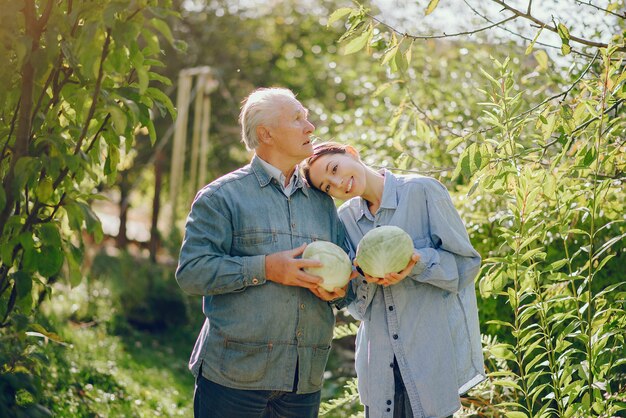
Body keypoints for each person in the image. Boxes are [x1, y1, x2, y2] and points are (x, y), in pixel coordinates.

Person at [176, 88, 348, 418]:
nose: (310, 127)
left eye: (307, 117)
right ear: (265, 134)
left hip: (303, 382)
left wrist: (339, 289)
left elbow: (344, 280)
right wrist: (267, 268)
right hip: (234, 379)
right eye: (297, 118)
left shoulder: (323, 202)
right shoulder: (221, 197)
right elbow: (192, 272)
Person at [301, 142, 485, 418]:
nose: (339, 183)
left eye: (335, 168)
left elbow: (466, 266)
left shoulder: (423, 191)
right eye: (328, 187)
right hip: (379, 365)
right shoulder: (344, 219)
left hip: (429, 358)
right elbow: (357, 304)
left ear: (351, 152)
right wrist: (341, 290)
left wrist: (416, 262)